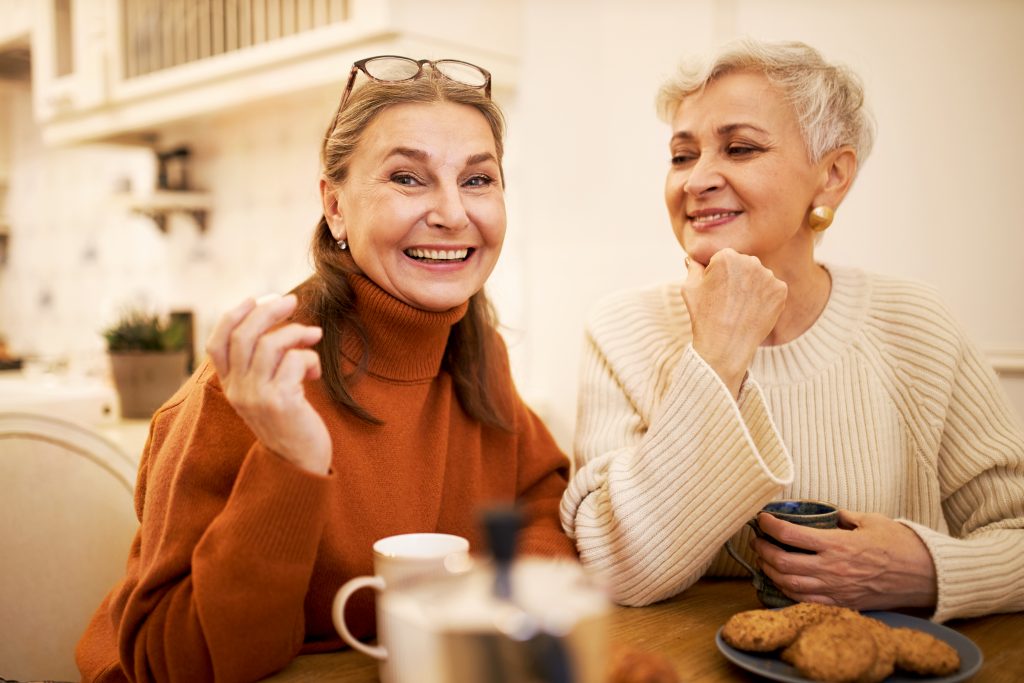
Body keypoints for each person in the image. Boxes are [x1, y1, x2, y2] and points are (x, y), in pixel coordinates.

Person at [77, 56, 574, 682]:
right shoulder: (255, 383)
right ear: (335, 206)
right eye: (407, 178)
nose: (453, 213)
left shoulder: (478, 349)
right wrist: (290, 462)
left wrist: (502, 607)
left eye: (478, 181)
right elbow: (173, 664)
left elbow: (537, 498)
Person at [560, 38, 1024, 623]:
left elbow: (1016, 532)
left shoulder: (917, 324)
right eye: (682, 156)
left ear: (831, 175)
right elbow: (617, 569)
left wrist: (925, 569)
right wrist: (718, 354)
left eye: (741, 148)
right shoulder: (622, 330)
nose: (696, 180)